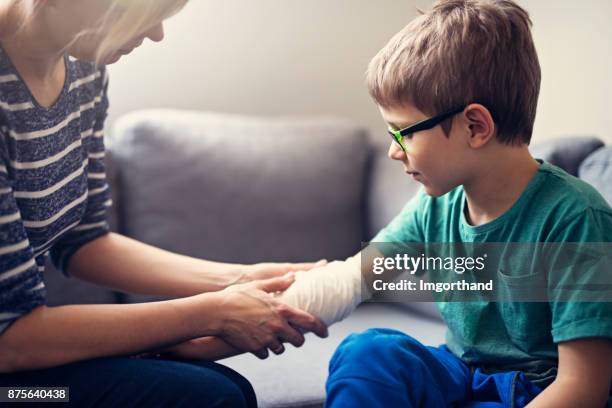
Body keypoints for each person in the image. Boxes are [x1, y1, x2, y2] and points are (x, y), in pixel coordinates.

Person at [192, 0, 612, 406]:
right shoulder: (436, 206)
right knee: (370, 352)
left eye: (403, 133)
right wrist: (183, 348)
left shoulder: (575, 219)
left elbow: (583, 386)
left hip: (536, 389)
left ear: (476, 126)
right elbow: (347, 281)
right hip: (463, 372)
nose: (394, 151)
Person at [0, 1, 328, 406]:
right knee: (209, 396)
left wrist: (239, 279)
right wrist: (212, 312)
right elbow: (12, 338)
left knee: (212, 387)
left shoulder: (84, 72)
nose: (157, 33)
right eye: (145, 11)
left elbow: (82, 240)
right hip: (17, 382)